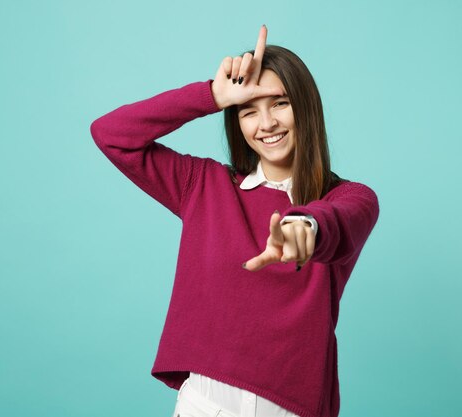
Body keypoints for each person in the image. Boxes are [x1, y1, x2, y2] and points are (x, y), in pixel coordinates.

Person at [90, 25, 379, 417]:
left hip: (291, 408)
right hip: (205, 405)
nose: (266, 124)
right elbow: (111, 134)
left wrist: (305, 227)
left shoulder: (349, 198)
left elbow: (335, 220)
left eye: (279, 104)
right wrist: (211, 95)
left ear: (306, 107)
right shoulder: (204, 185)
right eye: (248, 110)